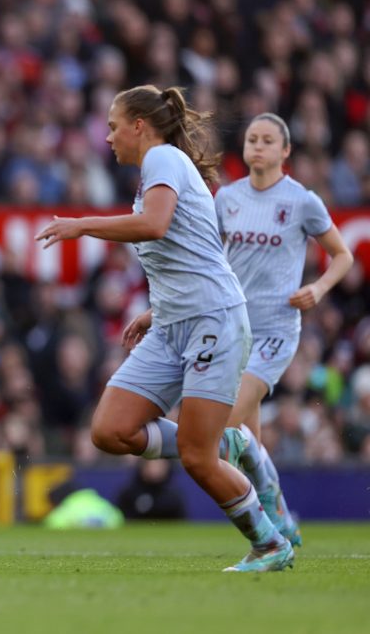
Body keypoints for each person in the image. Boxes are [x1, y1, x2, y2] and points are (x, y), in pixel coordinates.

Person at [36, 85, 293, 572]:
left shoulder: (163, 159)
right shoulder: (156, 172)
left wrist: (82, 224)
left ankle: (269, 543)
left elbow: (155, 225)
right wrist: (158, 309)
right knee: (110, 431)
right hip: (174, 321)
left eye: (113, 126)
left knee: (197, 460)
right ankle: (230, 442)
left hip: (213, 321)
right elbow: (194, 247)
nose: (108, 137)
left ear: (139, 126)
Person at [214, 112, 353, 545]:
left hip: (275, 330)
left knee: (227, 422)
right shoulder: (226, 199)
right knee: (247, 441)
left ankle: (267, 529)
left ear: (285, 151)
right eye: (252, 139)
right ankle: (279, 517)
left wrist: (319, 287)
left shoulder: (301, 201)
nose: (257, 146)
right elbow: (212, 259)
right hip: (233, 329)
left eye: (267, 140)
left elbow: (343, 255)